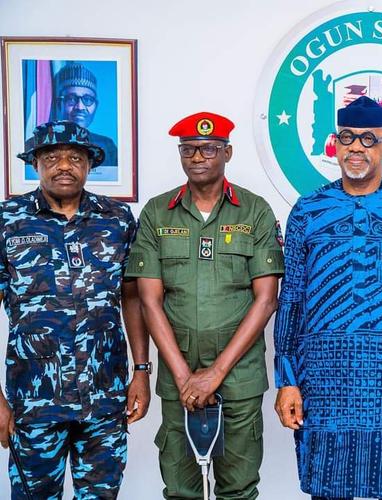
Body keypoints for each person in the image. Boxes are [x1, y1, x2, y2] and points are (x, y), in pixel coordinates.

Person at [274, 96, 382, 500]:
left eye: (369, 139)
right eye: (348, 138)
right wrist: (287, 381)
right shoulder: (307, 210)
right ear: (334, 144)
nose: (357, 148)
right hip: (324, 382)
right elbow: (292, 300)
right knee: (326, 488)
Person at [125, 111, 283, 499]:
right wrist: (183, 376)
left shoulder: (255, 211)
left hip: (240, 375)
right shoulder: (157, 212)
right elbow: (149, 299)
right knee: (180, 488)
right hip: (176, 373)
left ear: (227, 152)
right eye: (188, 149)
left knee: (239, 487)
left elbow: (266, 300)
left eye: (208, 149)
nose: (197, 157)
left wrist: (215, 373)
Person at [0, 120, 150, 498]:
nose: (63, 165)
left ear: (90, 164)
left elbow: (131, 297)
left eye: (74, 157)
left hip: (104, 398)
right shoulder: (7, 220)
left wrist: (142, 371)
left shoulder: (116, 219)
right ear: (35, 164)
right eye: (51, 157)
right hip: (34, 401)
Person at [54, 62, 118, 166]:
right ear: (59, 104)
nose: (80, 107)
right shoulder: (42, 144)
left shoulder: (107, 146)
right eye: (71, 99)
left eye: (88, 100)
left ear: (95, 106)